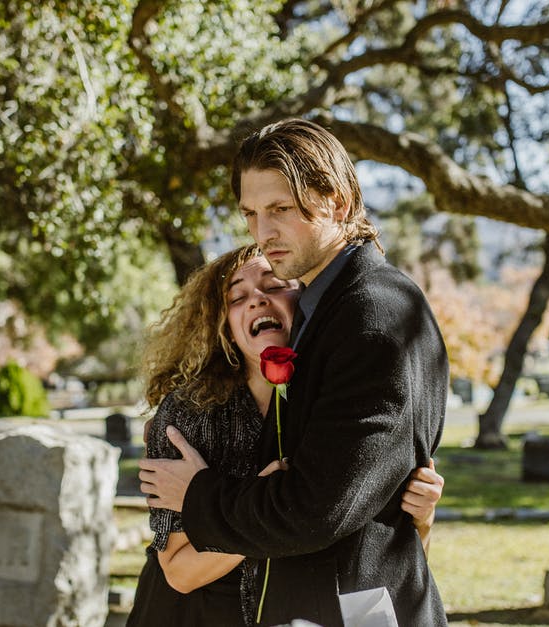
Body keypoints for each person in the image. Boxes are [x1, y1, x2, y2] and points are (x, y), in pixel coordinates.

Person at [138, 118, 450, 626]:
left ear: (339, 202)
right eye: (250, 215)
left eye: (281, 209)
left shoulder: (371, 317)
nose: (264, 233)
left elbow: (316, 510)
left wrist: (196, 494)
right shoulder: (324, 311)